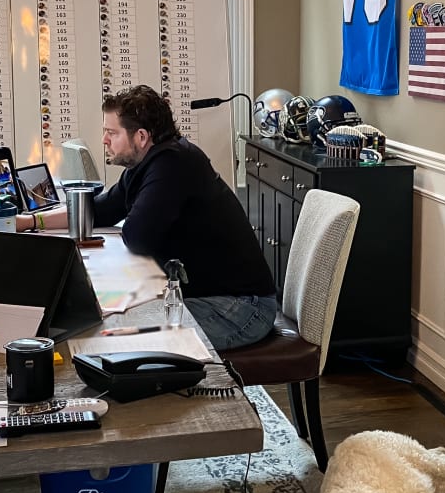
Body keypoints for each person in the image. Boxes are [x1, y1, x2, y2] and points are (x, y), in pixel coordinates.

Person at [17, 85, 277, 350]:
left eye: (112, 133)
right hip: (214, 299)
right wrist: (29, 222)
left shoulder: (173, 164)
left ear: (141, 136)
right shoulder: (150, 162)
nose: (105, 140)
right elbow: (98, 210)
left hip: (242, 309)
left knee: (115, 335)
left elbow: (137, 236)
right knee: (107, 323)